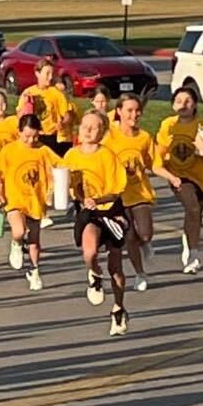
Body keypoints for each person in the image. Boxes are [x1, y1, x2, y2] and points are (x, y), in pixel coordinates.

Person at [63, 110, 130, 335]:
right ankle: (94, 274)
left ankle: (119, 308)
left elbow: (116, 190)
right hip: (89, 213)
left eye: (94, 127)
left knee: (115, 267)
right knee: (89, 252)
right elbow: (68, 186)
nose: (88, 131)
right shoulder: (71, 155)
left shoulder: (108, 156)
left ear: (102, 132)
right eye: (85, 126)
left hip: (110, 211)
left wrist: (98, 199)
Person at [0, 113, 61, 291]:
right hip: (14, 199)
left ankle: (34, 270)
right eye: (26, 136)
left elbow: (60, 164)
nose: (31, 140)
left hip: (35, 200)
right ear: (19, 132)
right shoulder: (8, 150)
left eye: (34, 136)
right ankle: (16, 243)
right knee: (19, 230)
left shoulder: (43, 150)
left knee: (34, 240)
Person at [153, 85, 203, 274]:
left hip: (201, 177)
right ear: (173, 105)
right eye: (178, 101)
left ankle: (189, 243)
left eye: (187, 101)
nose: (183, 105)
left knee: (195, 215)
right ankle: (194, 256)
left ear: (195, 104)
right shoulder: (168, 125)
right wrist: (169, 175)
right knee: (192, 208)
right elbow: (159, 155)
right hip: (179, 176)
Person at [104, 93, 156, 291]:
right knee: (129, 236)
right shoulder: (110, 137)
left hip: (140, 192)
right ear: (119, 112)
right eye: (129, 110)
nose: (134, 115)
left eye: (137, 110)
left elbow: (154, 163)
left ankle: (146, 243)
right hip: (118, 195)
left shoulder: (144, 137)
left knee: (145, 234)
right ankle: (140, 274)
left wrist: (171, 176)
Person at [19, 57, 73, 155]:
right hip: (36, 136)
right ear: (37, 73)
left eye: (52, 74)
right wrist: (26, 106)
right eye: (47, 73)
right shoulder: (28, 92)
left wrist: (63, 123)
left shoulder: (56, 92)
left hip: (53, 136)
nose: (50, 77)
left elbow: (67, 114)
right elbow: (20, 117)